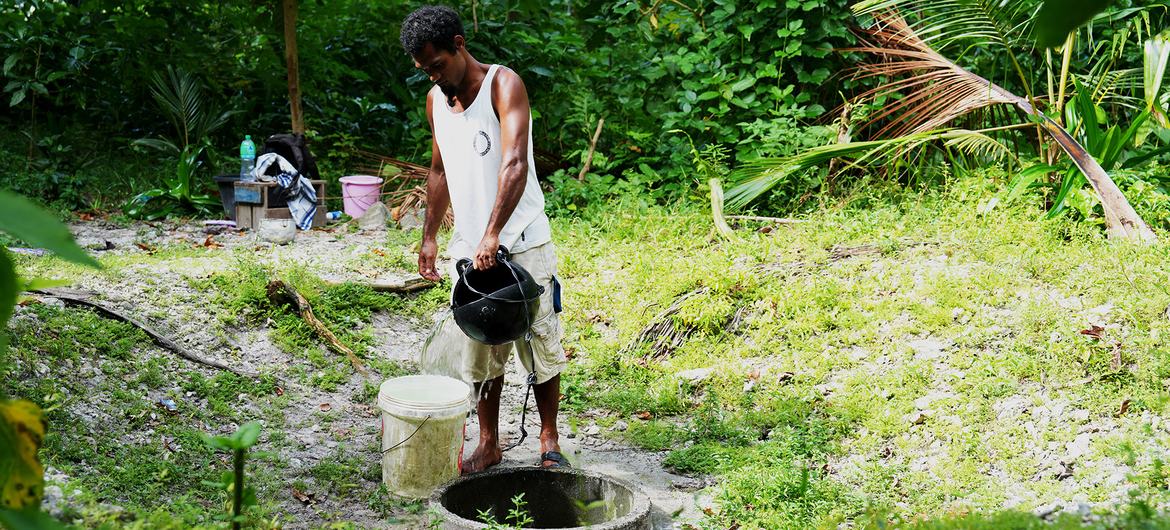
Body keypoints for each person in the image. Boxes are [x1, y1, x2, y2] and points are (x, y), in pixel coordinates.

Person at [400, 5, 569, 473]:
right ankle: (489, 442)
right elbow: (438, 170)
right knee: (481, 346)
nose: (434, 78)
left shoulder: (502, 85)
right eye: (425, 72)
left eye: (437, 66)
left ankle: (549, 438)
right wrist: (430, 236)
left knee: (539, 342)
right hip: (470, 252)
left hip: (523, 241)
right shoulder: (436, 101)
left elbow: (514, 163)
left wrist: (494, 233)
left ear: (459, 44)